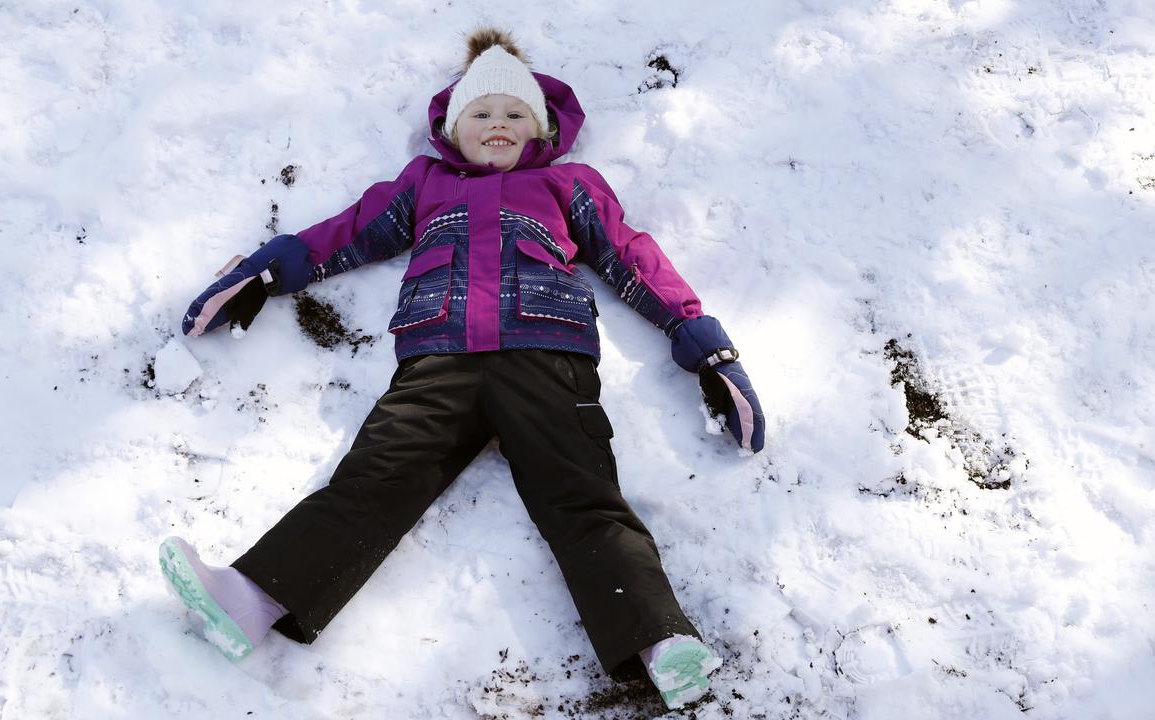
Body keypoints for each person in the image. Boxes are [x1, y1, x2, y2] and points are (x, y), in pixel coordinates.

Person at [159, 28, 766, 710]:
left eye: (514, 114)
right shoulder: (424, 185)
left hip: (547, 360)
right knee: (371, 483)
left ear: (539, 127)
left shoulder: (567, 184)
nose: (498, 125)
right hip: (436, 363)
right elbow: (347, 232)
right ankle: (248, 601)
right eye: (481, 113)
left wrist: (703, 345)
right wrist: (263, 273)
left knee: (582, 497)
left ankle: (658, 640)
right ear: (452, 128)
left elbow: (632, 259)